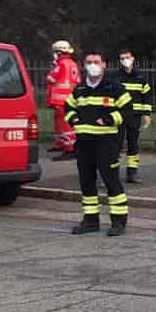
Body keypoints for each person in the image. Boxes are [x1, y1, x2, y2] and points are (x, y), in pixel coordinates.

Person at [64, 52, 130, 236]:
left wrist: (109, 119)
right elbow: (68, 107)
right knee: (86, 183)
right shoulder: (80, 89)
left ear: (104, 65)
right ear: (84, 65)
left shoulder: (114, 87)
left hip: (106, 143)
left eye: (96, 62)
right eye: (89, 62)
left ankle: (118, 222)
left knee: (111, 181)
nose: (92, 65)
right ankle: (90, 220)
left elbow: (128, 110)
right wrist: (74, 119)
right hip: (84, 143)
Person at [113, 49, 152, 183]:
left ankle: (132, 173)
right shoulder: (115, 76)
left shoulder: (140, 76)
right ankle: (112, 174)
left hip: (135, 116)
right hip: (119, 116)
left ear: (133, 58)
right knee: (115, 145)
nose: (125, 60)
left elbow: (146, 96)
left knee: (133, 145)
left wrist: (146, 114)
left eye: (127, 57)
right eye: (122, 58)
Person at [46, 40, 80, 160]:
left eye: (55, 52)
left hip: (61, 100)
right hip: (69, 98)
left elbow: (50, 78)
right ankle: (61, 144)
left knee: (64, 124)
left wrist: (54, 66)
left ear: (59, 52)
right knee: (61, 123)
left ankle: (69, 149)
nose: (53, 54)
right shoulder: (72, 63)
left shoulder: (62, 64)